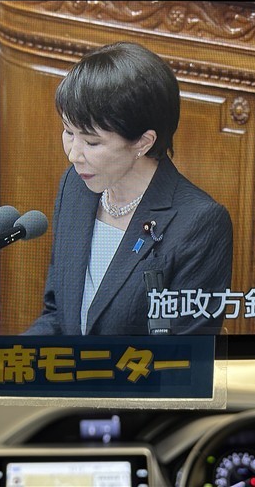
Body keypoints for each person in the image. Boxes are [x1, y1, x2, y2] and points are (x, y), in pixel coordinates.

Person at [25, 42, 233, 335]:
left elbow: (183, 352)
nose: (73, 154)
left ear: (143, 142)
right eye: (68, 132)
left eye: (92, 142)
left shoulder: (199, 223)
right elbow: (57, 314)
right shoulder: (76, 187)